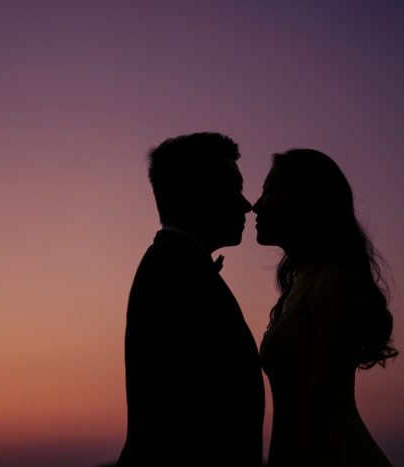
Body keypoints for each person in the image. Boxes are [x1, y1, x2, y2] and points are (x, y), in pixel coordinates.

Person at [117, 133, 265, 467]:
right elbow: (179, 408)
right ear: (202, 196)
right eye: (236, 188)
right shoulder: (174, 269)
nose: (247, 204)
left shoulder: (177, 263)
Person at [253, 149, 397, 467]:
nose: (256, 204)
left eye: (269, 190)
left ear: (305, 199)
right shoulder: (297, 289)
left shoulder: (334, 283)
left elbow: (318, 402)